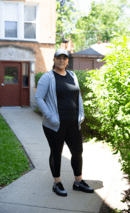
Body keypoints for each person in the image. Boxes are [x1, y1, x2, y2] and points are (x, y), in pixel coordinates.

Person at [35, 48, 94, 197]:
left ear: (68, 61)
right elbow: (38, 98)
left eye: (64, 58)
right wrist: (50, 117)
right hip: (55, 124)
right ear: (54, 60)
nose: (62, 60)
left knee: (77, 151)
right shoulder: (47, 77)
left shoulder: (72, 75)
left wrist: (81, 114)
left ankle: (78, 182)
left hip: (73, 122)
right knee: (56, 152)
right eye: (59, 57)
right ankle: (57, 183)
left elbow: (77, 95)